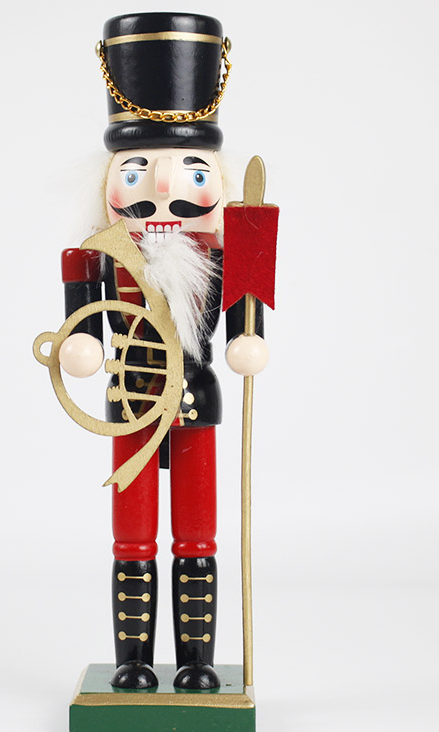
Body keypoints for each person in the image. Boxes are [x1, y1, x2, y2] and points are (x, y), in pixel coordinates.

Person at [57, 12, 268, 691]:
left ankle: (199, 662)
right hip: (131, 401)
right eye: (139, 170)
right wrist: (81, 346)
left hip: (195, 399)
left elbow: (245, 319)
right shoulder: (96, 254)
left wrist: (247, 340)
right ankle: (134, 660)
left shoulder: (229, 252)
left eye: (189, 171)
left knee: (198, 534)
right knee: (132, 535)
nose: (163, 190)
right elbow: (82, 329)